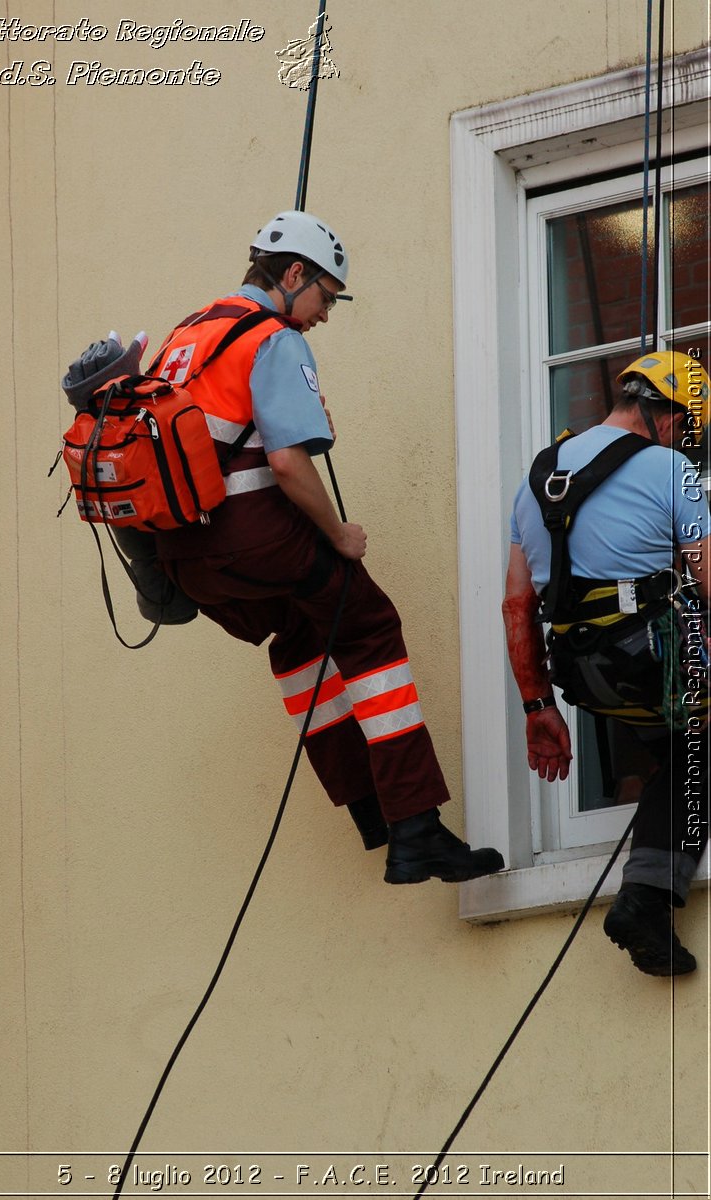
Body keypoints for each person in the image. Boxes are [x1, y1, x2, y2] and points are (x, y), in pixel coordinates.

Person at [63, 210, 504, 886]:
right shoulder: (272, 338)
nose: (324, 314)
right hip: (258, 536)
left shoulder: (188, 331)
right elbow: (291, 465)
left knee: (302, 642)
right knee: (370, 625)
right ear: (293, 273)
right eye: (325, 295)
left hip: (189, 561)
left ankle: (371, 814)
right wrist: (340, 536)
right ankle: (416, 829)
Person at [503, 351, 710, 976]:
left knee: (676, 754)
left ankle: (648, 891)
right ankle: (645, 899)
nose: (685, 441)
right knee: (697, 752)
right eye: (687, 427)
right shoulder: (673, 469)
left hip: (581, 676)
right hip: (651, 656)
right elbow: (707, 574)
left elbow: (516, 606)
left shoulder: (536, 481)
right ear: (667, 413)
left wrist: (540, 708)